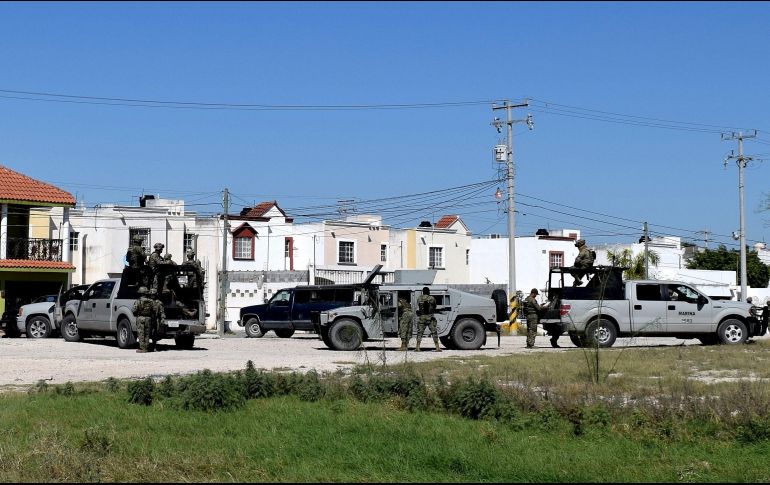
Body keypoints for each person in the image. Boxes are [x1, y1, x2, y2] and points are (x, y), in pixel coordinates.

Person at [415, 287, 441, 352]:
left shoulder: (419, 298)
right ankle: (437, 347)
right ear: (428, 292)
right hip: (430, 317)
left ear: (423, 292)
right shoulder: (431, 298)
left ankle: (417, 347)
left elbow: (418, 305)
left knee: (420, 332)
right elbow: (435, 306)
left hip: (422, 317)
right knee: (434, 332)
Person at [131, 287, 154, 353]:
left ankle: (142, 348)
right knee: (147, 333)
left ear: (141, 293)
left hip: (140, 318)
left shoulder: (138, 301)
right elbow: (154, 310)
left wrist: (136, 314)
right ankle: (146, 347)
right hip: (148, 318)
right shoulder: (151, 301)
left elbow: (134, 310)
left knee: (141, 333)